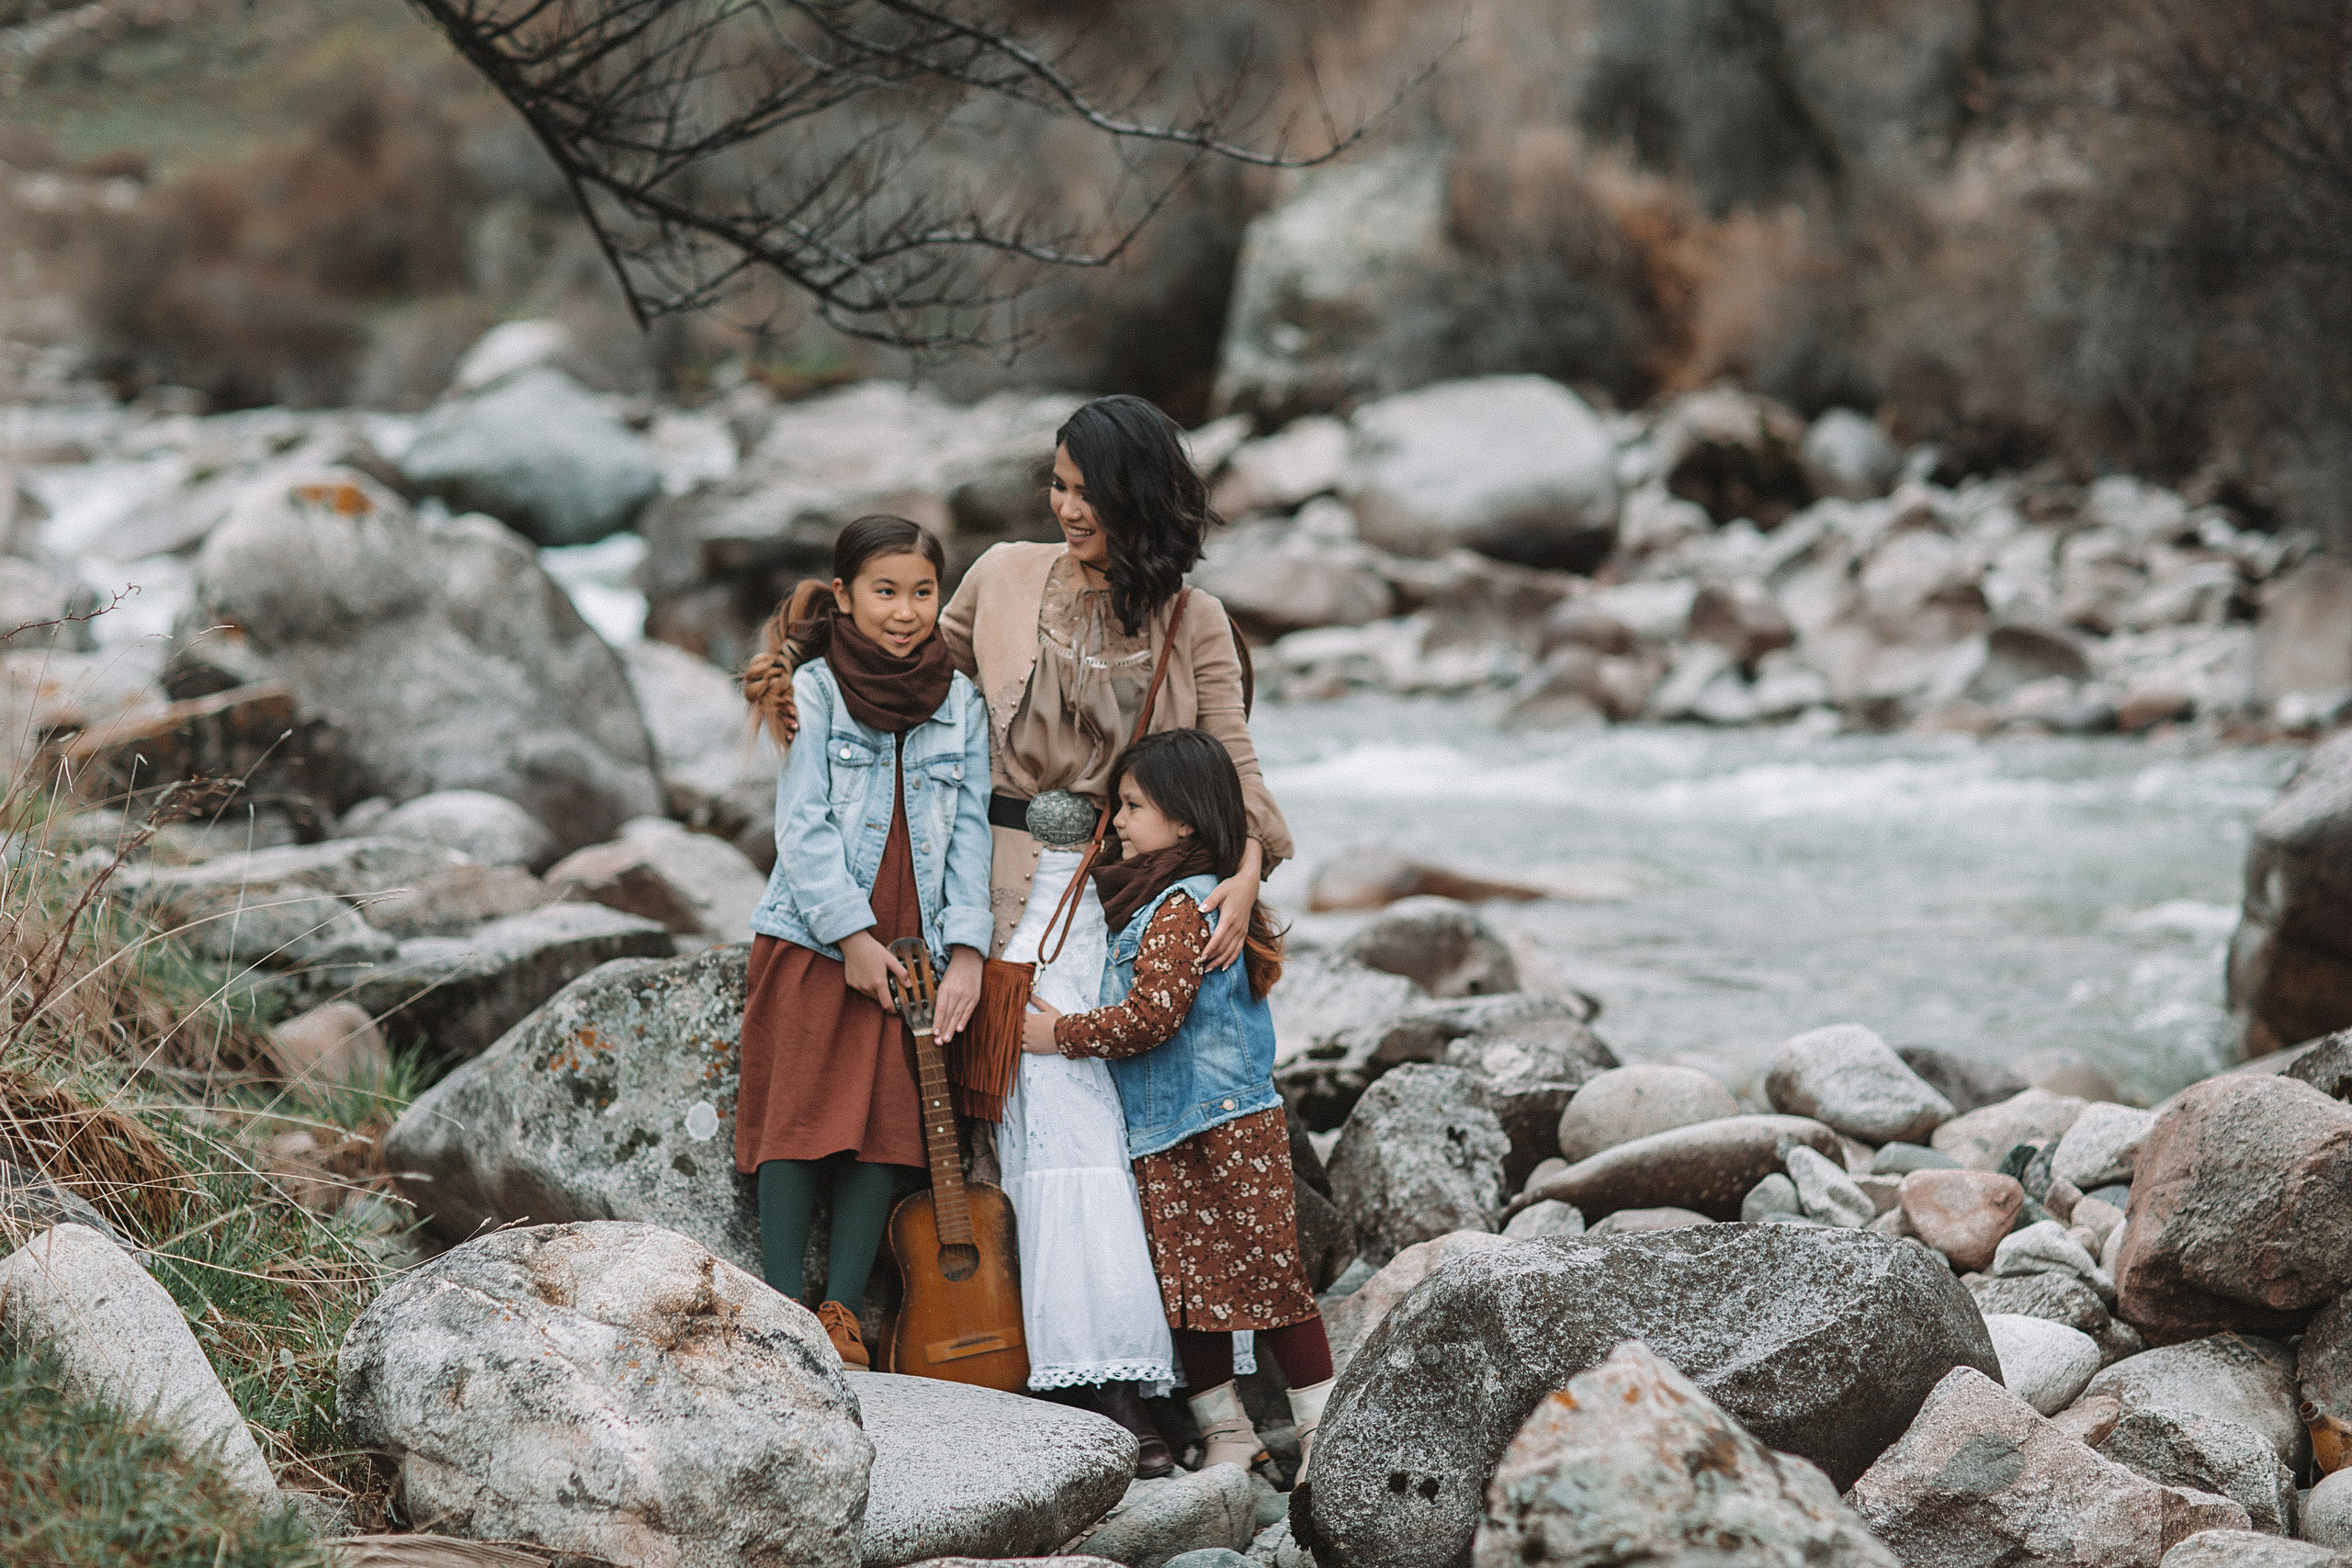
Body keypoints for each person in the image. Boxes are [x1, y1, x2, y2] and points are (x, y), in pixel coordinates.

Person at [936, 393, 1295, 1475]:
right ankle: (1097, 1381)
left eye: (1086, 490)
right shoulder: (1000, 573)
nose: (1065, 506)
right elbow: (913, 692)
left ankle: (1157, 1378)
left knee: (1120, 1134)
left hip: (1133, 897)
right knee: (1048, 1128)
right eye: (1056, 485)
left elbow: (1235, 774)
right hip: (1011, 889)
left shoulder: (1195, 619)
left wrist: (1241, 874)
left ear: (1138, 496)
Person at [1019, 728, 1335, 1469]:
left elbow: (1152, 1017)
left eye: (1132, 806)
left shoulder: (1183, 906)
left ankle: (1324, 1434)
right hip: (1167, 1131)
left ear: (1186, 819)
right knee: (1189, 1289)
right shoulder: (1155, 898)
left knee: (1270, 1278)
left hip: (1226, 1127)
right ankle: (1228, 1434)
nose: (1118, 821)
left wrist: (1056, 1032)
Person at [735, 514, 991, 1372]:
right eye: (886, 591)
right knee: (798, 1112)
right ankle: (780, 1308)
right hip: (819, 936)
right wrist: (850, 937)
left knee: (890, 1123)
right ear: (844, 596)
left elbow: (971, 844)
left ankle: (842, 1313)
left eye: (924, 591)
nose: (907, 610)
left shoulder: (960, 701)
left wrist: (967, 953)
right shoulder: (813, 690)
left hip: (914, 949)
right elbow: (801, 828)